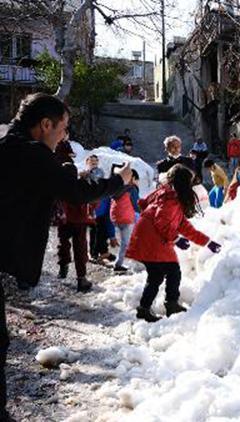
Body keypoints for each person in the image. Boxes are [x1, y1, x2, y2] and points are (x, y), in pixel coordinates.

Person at [0, 93, 130, 420]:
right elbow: (76, 193)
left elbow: (58, 182)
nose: (65, 135)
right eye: (63, 128)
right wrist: (120, 181)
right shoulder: (31, 153)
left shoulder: (9, 148)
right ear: (46, 125)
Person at [126, 165, 221, 322]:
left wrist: (207, 242)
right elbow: (161, 221)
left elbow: (184, 226)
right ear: (183, 182)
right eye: (190, 182)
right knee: (162, 273)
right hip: (151, 239)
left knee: (169, 272)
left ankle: (166, 304)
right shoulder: (170, 199)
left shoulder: (171, 197)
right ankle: (156, 306)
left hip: (151, 238)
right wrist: (176, 239)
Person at [55, 143, 98, 292]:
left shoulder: (55, 170)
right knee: (80, 247)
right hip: (79, 219)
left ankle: (63, 266)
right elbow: (89, 198)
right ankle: (81, 278)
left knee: (63, 243)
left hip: (63, 218)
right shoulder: (73, 173)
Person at [110, 170, 140, 273]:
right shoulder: (131, 189)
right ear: (133, 179)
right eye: (137, 179)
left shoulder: (118, 187)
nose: (137, 182)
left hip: (116, 217)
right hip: (126, 218)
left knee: (126, 241)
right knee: (126, 243)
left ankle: (124, 262)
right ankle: (119, 264)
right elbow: (137, 205)